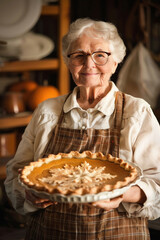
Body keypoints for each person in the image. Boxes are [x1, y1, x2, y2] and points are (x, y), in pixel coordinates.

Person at [4, 18, 160, 240]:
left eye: (100, 55)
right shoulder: (48, 110)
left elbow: (157, 182)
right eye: (79, 55)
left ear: (115, 62)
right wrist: (28, 194)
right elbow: (18, 172)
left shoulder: (136, 112)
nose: (89, 65)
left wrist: (123, 194)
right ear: (68, 62)